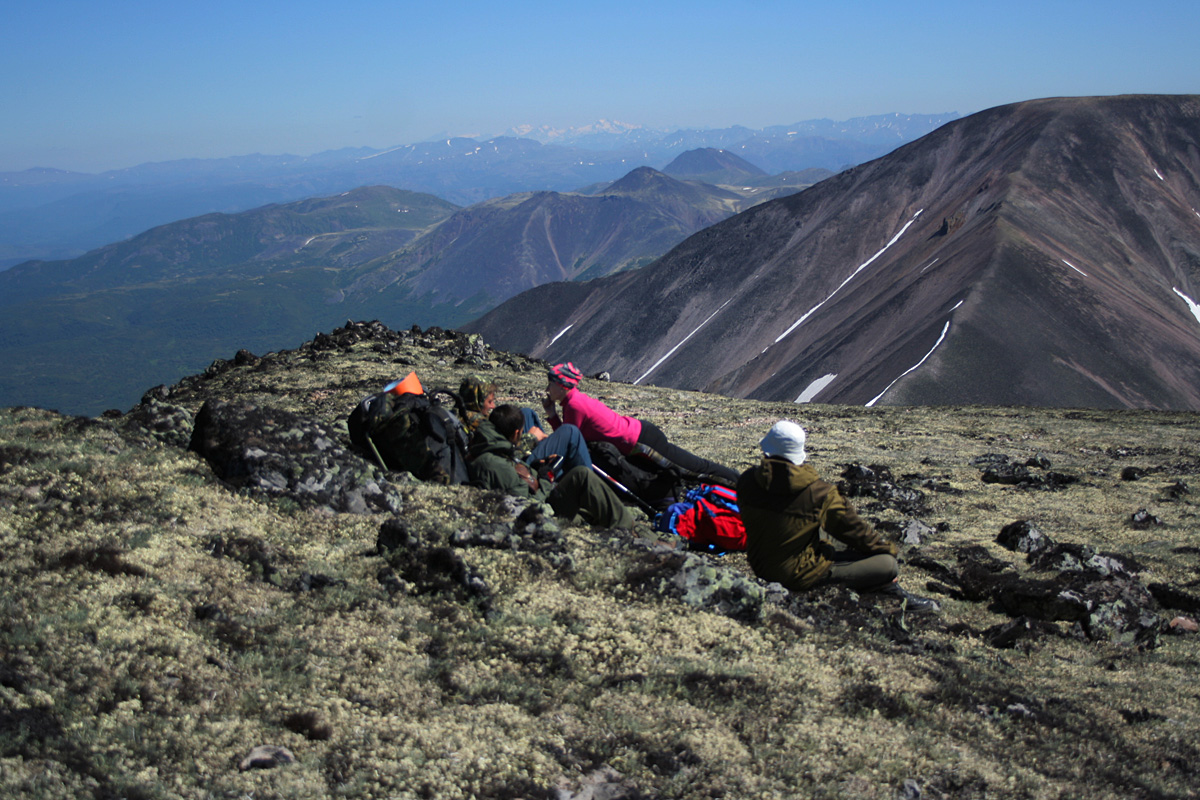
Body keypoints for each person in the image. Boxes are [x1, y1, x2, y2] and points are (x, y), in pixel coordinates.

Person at [736, 420, 938, 612]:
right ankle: (888, 590)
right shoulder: (819, 493)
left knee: (829, 540)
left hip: (760, 566)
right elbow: (855, 531)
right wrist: (887, 551)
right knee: (887, 565)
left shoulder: (747, 480)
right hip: (797, 576)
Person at [541, 362, 739, 487]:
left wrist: (552, 417)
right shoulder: (573, 402)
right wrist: (552, 414)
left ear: (561, 385)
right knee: (679, 473)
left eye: (550, 384)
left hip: (641, 442)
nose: (548, 389)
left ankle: (740, 483)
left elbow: (569, 440)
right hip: (639, 436)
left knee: (693, 469)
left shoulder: (575, 405)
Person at [469, 404, 633, 529]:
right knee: (582, 474)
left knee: (529, 413)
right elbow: (529, 507)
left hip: (536, 488)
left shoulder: (490, 451)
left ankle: (599, 504)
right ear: (517, 434)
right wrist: (546, 477)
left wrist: (534, 468)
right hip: (544, 507)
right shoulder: (498, 466)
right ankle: (630, 529)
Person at [460, 374, 591, 478]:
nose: (493, 406)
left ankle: (549, 453)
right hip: (514, 467)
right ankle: (586, 481)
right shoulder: (477, 424)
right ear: (477, 400)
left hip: (511, 457)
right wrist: (531, 438)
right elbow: (499, 455)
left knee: (526, 414)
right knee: (570, 432)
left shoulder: (466, 415)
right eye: (489, 401)